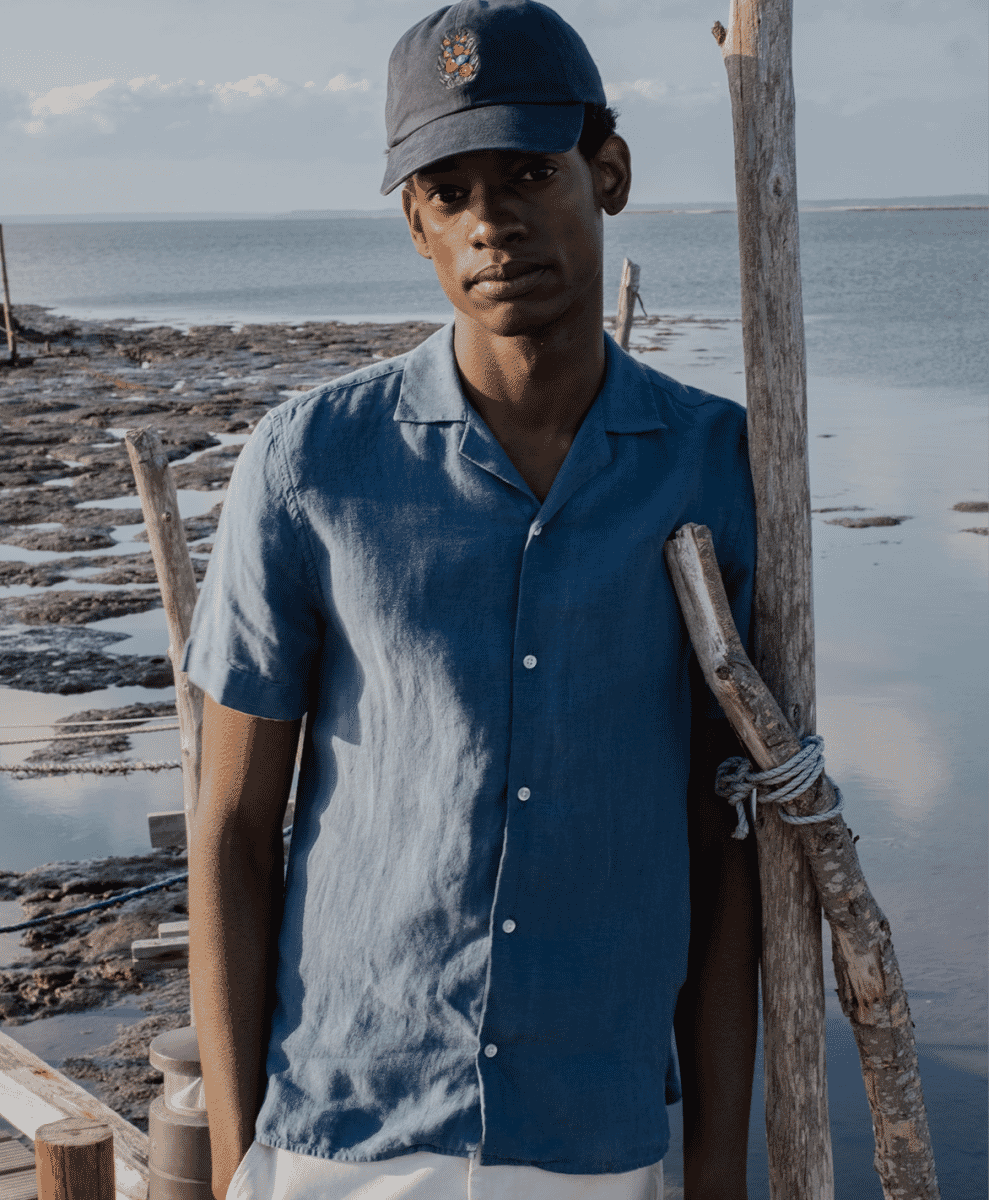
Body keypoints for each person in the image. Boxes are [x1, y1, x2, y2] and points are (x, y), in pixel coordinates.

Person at [184, 2, 761, 1198]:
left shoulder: (715, 469)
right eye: (446, 191)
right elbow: (233, 833)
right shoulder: (309, 464)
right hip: (340, 1137)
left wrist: (713, 1169)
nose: (491, 222)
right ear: (413, 223)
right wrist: (239, 1164)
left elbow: (725, 848)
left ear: (606, 173)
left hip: (595, 1141)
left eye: (527, 173)